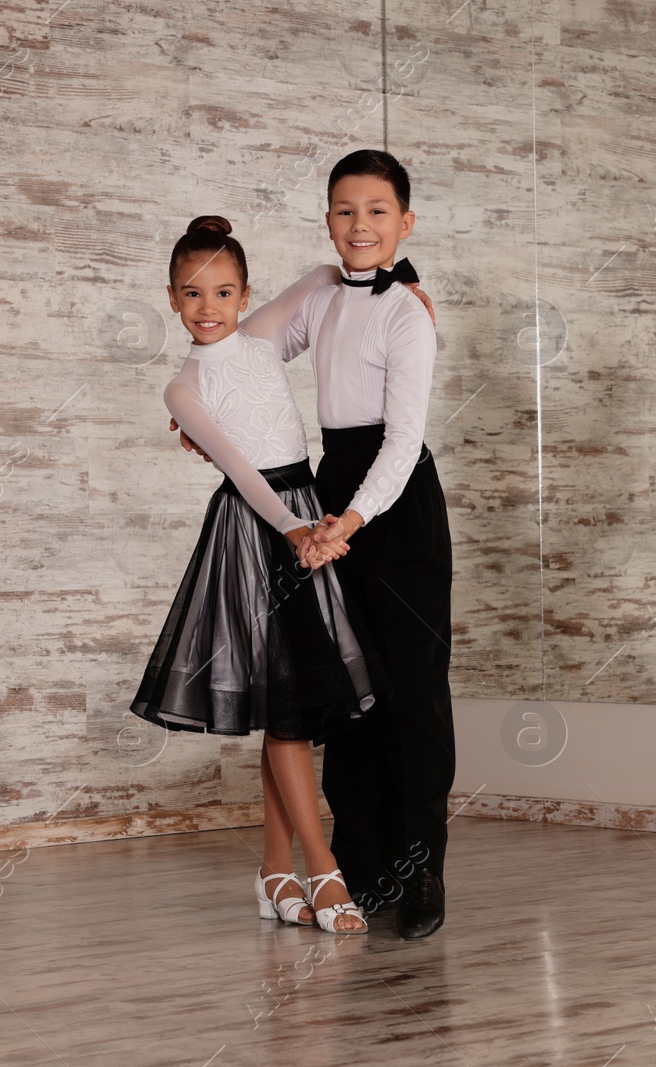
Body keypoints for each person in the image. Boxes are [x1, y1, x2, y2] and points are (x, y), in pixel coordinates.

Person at [176, 151, 454, 940]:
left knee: (411, 687)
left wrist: (351, 521)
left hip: (393, 504)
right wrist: (195, 404)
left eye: (375, 210)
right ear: (328, 220)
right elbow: (238, 345)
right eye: (343, 209)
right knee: (346, 687)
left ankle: (421, 864)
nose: (359, 224)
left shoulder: (408, 312)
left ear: (404, 221)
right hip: (329, 487)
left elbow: (403, 443)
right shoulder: (318, 288)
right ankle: (359, 864)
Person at [130, 215, 380, 934]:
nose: (208, 307)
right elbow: (240, 470)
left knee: (291, 705)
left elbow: (326, 275)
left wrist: (409, 285)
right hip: (258, 525)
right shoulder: (183, 389)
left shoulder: (264, 337)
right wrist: (295, 529)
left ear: (244, 296)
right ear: (171, 298)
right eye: (192, 292)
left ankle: (276, 870)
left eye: (224, 291)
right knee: (290, 711)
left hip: (305, 514)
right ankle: (323, 870)